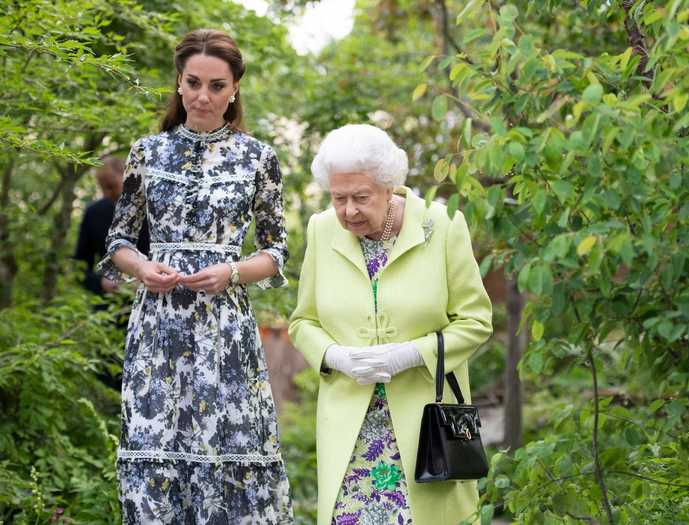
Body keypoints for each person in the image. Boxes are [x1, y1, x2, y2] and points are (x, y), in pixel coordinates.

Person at [96, 29, 293, 524]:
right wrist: (141, 266)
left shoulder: (258, 158)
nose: (204, 96)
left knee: (230, 458)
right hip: (158, 331)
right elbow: (117, 241)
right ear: (179, 84)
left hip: (225, 334)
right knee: (154, 455)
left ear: (234, 90)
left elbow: (275, 252)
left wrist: (231, 271)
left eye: (218, 86)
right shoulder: (147, 153)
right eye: (194, 83)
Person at [289, 124, 493, 525]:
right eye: (338, 198)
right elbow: (303, 322)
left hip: (426, 429)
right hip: (352, 430)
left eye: (361, 197)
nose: (348, 211)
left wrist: (411, 354)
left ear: (389, 187)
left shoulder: (443, 225)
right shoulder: (321, 229)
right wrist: (334, 356)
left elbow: (476, 320)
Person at [74, 156, 149, 296]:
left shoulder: (153, 209)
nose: (107, 193)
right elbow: (79, 265)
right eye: (102, 188)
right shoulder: (93, 214)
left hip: (151, 298)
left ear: (127, 174)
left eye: (111, 186)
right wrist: (101, 283)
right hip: (108, 306)